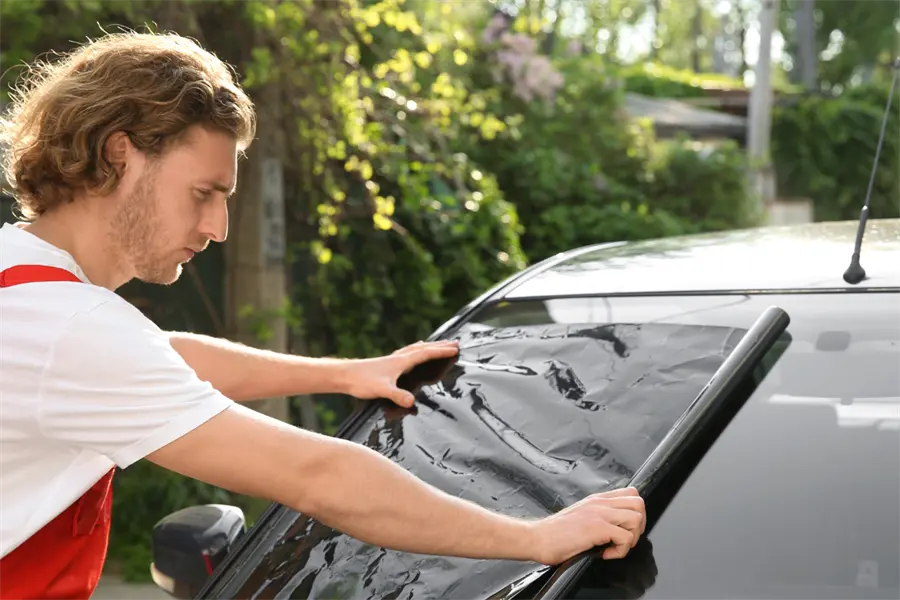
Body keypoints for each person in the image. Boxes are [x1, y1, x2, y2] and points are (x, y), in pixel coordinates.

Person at [0, 32, 647, 599]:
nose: (219, 227)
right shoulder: (73, 330)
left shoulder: (26, 283)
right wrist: (540, 538)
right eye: (204, 193)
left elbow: (163, 354)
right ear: (121, 155)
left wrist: (344, 374)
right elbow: (319, 477)